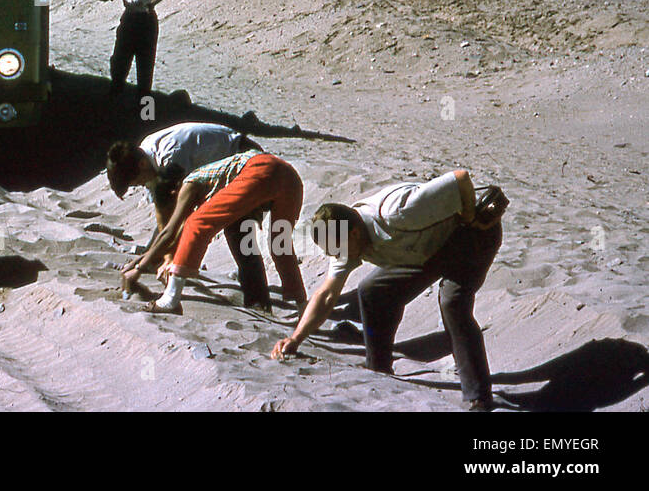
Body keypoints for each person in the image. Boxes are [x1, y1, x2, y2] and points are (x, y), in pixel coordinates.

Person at [271, 170, 506, 411]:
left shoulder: (399, 210)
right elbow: (327, 295)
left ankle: (479, 397)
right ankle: (379, 369)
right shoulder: (344, 237)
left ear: (353, 233)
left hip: (472, 238)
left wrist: (469, 218)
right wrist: (295, 338)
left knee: (452, 303)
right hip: (425, 252)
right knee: (373, 290)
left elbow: (460, 178)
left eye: (338, 249)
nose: (338, 256)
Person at [127, 149, 308, 315]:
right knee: (280, 245)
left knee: (198, 222)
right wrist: (165, 260)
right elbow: (179, 235)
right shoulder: (200, 185)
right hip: (290, 178)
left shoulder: (189, 183)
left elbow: (175, 230)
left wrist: (139, 268)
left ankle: (170, 300)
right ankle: (303, 309)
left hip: (262, 168)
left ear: (174, 191)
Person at [106, 123, 263, 300]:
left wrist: (144, 264)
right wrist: (160, 256)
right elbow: (163, 212)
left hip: (247, 160)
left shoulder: (172, 156)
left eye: (138, 182)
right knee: (163, 246)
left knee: (237, 229)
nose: (142, 185)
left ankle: (258, 300)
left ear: (142, 165)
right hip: (219, 169)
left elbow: (182, 215)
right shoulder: (146, 157)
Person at [74, 0, 173, 98]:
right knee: (119, 59)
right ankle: (115, 94)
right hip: (128, 22)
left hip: (146, 23)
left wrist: (153, 3)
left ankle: (143, 101)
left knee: (145, 62)